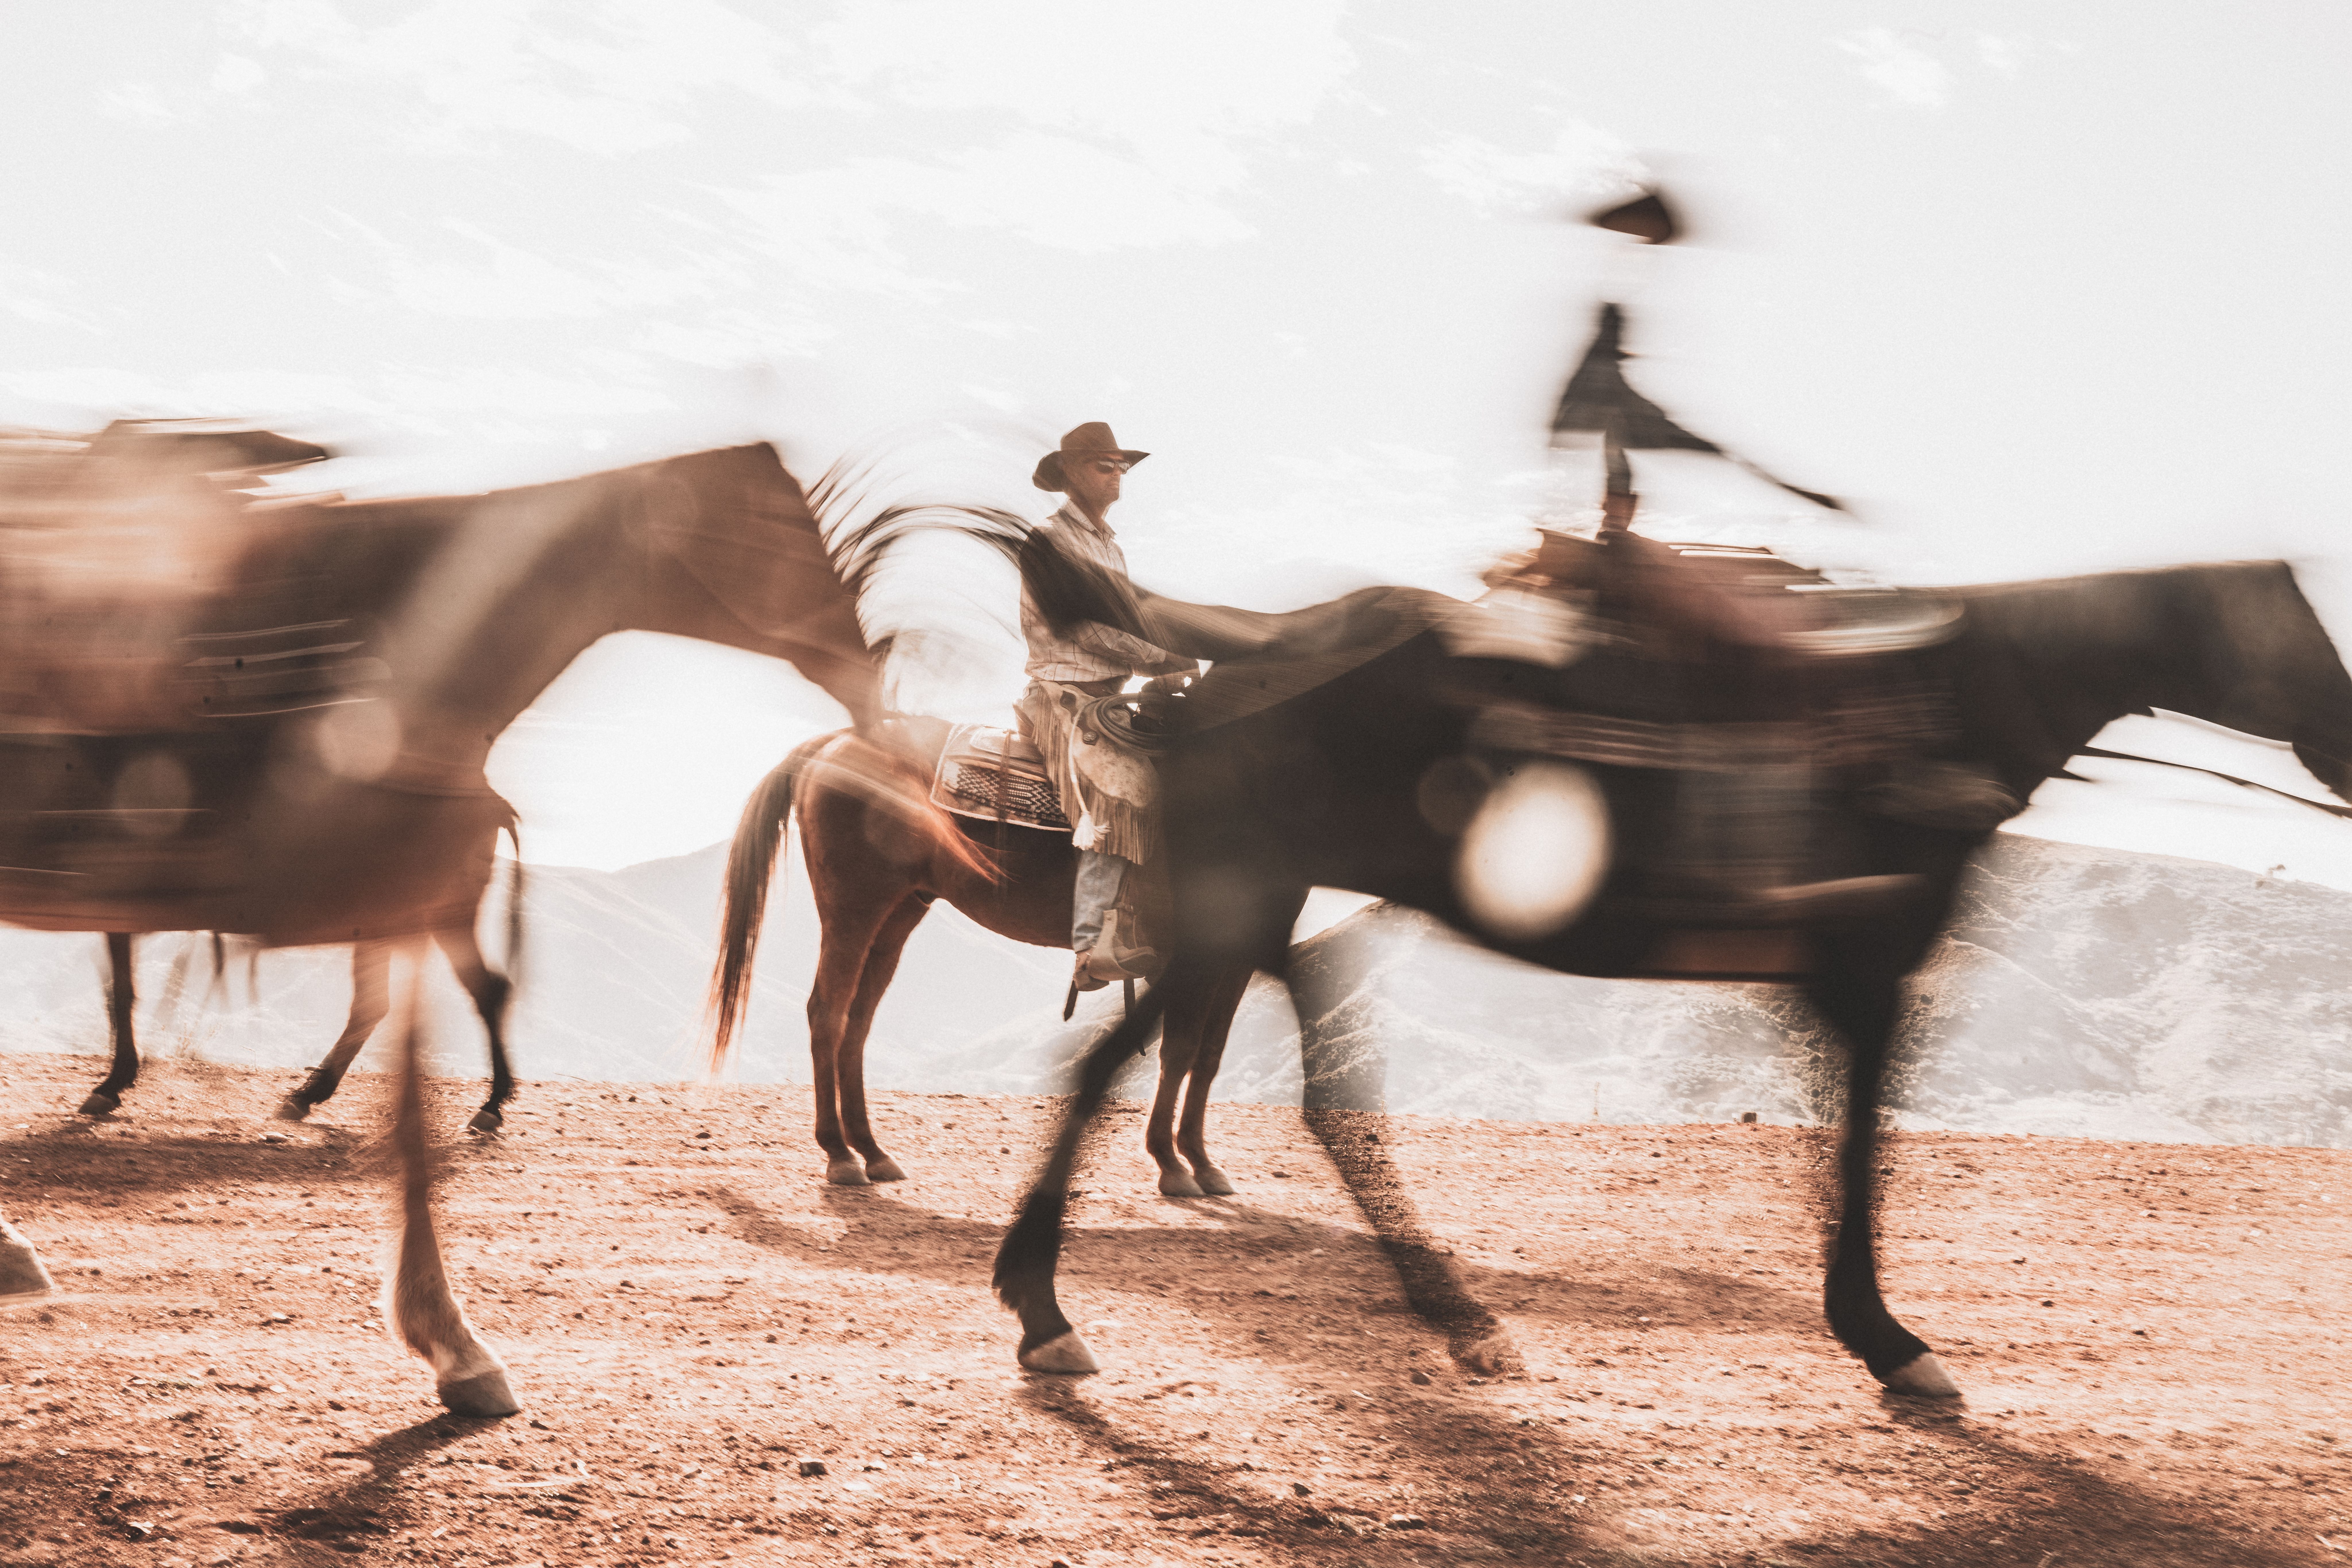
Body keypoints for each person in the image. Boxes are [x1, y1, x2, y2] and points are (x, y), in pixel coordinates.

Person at [1014, 423, 1195, 991]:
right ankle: (1093, 947)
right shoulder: (1050, 539)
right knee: (1123, 791)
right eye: (1102, 465)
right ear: (1069, 473)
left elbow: (1130, 618)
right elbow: (1086, 629)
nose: (1116, 475)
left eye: (1121, 466)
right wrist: (1161, 659)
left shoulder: (1108, 544)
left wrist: (1179, 648)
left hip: (1108, 697)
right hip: (1061, 695)